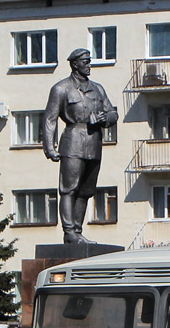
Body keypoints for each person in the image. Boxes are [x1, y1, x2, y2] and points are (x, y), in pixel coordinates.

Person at [43, 48, 119, 245]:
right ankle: (69, 232)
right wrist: (50, 148)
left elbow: (113, 113)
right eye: (85, 61)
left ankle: (77, 230)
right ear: (75, 64)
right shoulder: (61, 89)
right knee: (69, 188)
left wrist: (105, 118)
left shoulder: (98, 89)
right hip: (73, 141)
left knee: (86, 190)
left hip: (94, 143)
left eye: (89, 61)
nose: (89, 65)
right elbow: (50, 120)